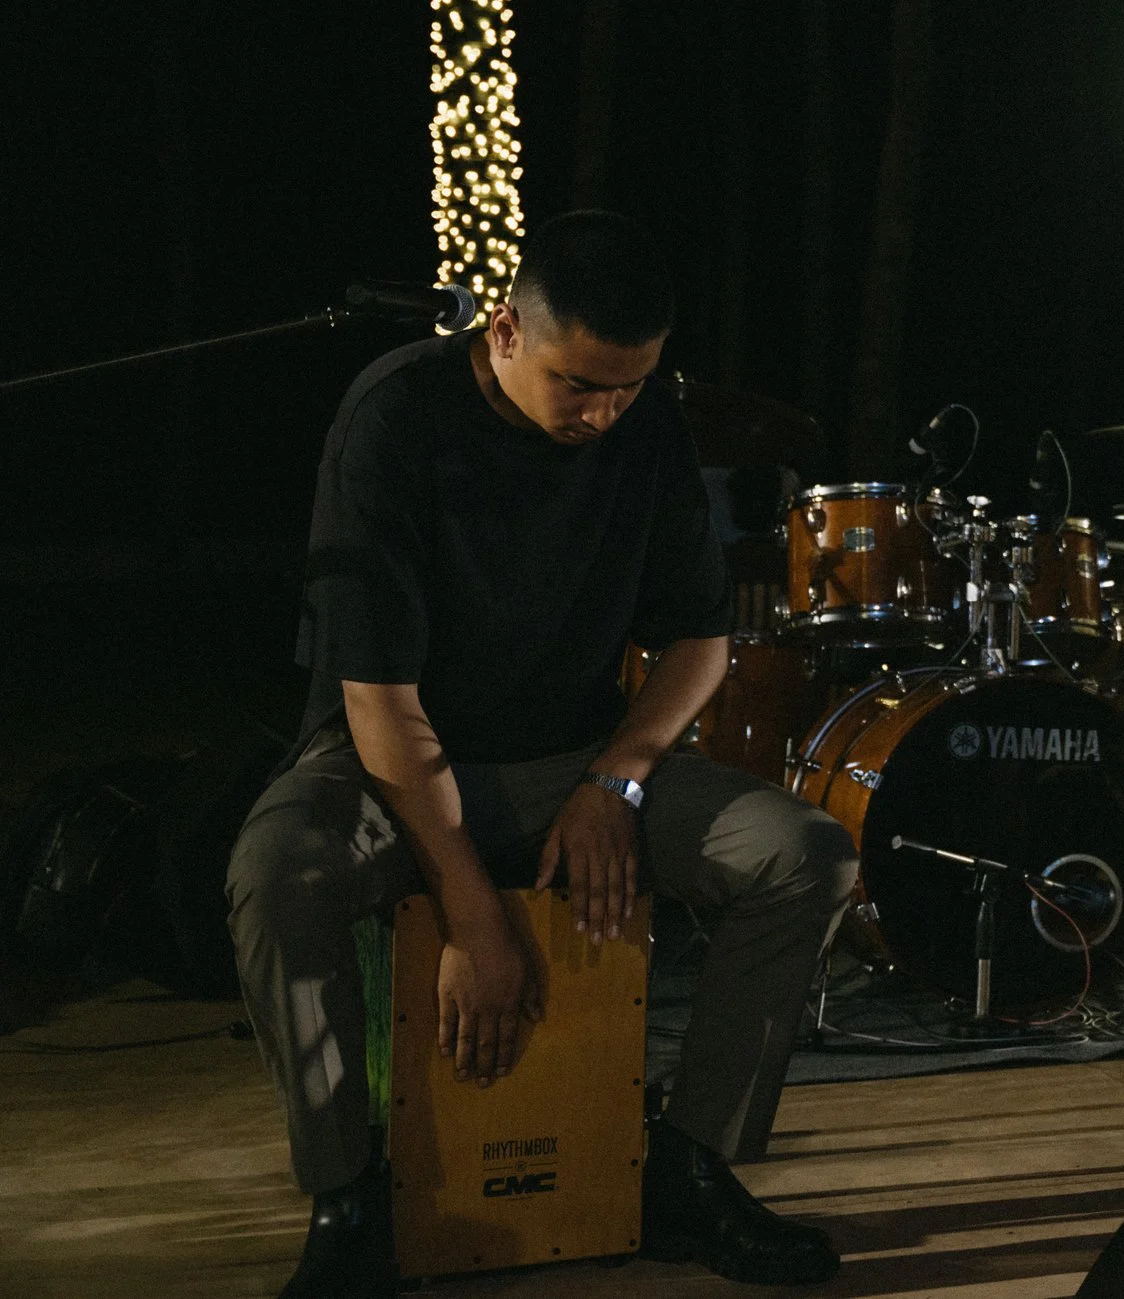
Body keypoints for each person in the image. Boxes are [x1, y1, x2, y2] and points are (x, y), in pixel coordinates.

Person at [227, 211, 856, 1294]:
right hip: (394, 756)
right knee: (278, 872)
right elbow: (381, 704)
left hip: (571, 750)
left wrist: (617, 777)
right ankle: (350, 1199)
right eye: (580, 384)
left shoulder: (644, 421)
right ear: (506, 329)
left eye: (629, 385)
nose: (604, 412)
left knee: (806, 852)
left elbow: (701, 640)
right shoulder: (394, 418)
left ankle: (689, 1167)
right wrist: (475, 916)